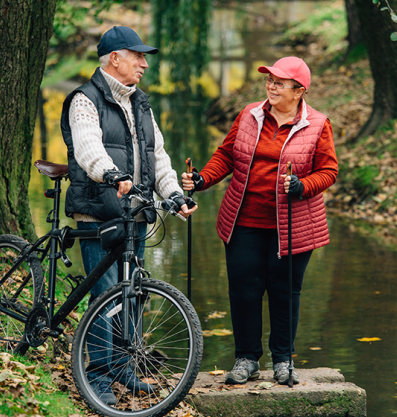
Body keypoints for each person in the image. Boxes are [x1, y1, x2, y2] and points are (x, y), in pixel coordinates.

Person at [61, 26, 197, 405]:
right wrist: (112, 174)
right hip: (99, 212)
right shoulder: (84, 99)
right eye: (137, 55)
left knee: (132, 293)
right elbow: (88, 147)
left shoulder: (140, 103)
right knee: (105, 295)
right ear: (114, 58)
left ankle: (124, 368)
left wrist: (173, 195)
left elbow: (158, 158)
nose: (144, 63)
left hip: (134, 213)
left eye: (145, 56)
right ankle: (99, 378)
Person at [182, 56, 338, 385]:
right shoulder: (250, 114)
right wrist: (202, 180)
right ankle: (246, 359)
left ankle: (283, 360)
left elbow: (329, 171)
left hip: (293, 226)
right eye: (270, 80)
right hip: (244, 221)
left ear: (300, 91)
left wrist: (302, 186)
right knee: (243, 291)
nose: (271, 86)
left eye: (280, 83)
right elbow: (226, 154)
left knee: (284, 292)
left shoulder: (318, 125)